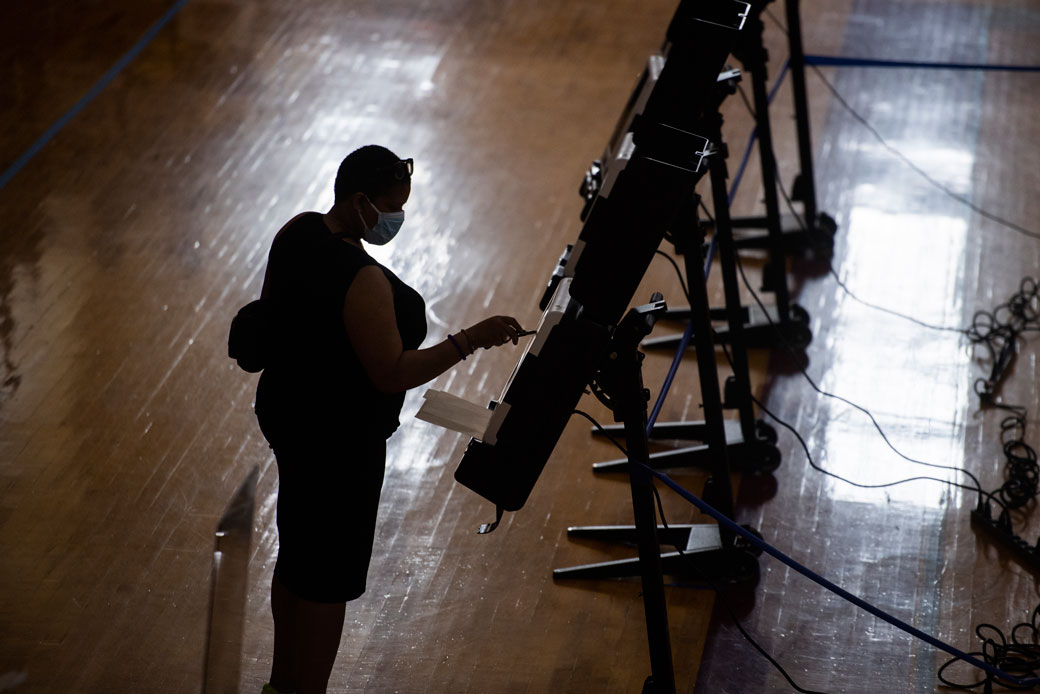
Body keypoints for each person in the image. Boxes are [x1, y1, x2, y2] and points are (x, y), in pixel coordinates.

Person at [253, 145, 522, 694]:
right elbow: (392, 372)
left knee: (298, 554)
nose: (396, 219)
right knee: (327, 580)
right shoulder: (362, 280)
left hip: (290, 419)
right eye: (391, 206)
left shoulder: (296, 234)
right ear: (359, 201)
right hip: (339, 444)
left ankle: (281, 685)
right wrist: (471, 338)